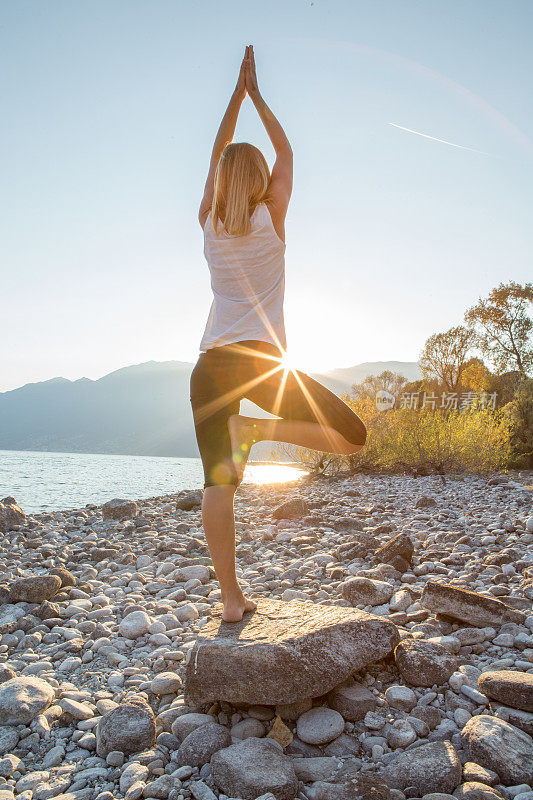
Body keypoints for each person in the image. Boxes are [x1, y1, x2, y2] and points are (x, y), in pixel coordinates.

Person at [190, 45, 367, 622]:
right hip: (263, 363)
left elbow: (218, 152)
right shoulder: (273, 217)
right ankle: (258, 429)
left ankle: (231, 600)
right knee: (350, 437)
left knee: (219, 484)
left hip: (211, 366)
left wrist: (234, 99)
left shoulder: (210, 222)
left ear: (219, 183)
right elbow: (287, 150)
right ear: (262, 180)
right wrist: (259, 98)